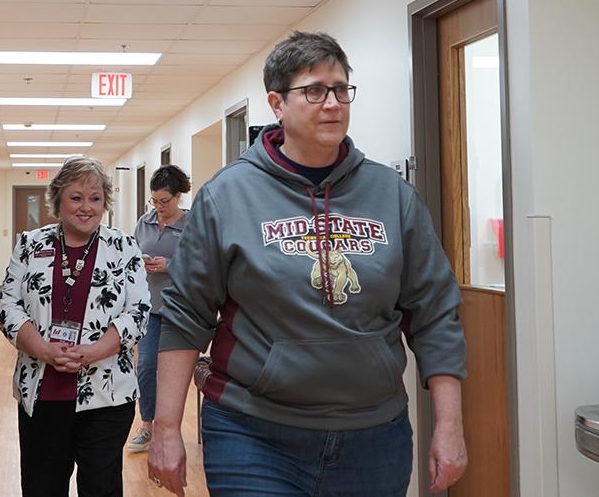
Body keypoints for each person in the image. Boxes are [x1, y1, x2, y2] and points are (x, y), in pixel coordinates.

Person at [147, 31, 469, 497]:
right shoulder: (229, 196)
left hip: (373, 435)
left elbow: (435, 313)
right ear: (277, 103)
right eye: (314, 91)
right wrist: (166, 427)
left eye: (341, 89)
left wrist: (450, 424)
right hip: (252, 430)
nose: (333, 103)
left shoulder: (392, 195)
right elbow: (186, 316)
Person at [0, 156, 151, 497]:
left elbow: (138, 311)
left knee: (101, 487)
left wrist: (93, 351)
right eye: (76, 197)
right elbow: (8, 305)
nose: (86, 207)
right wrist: (43, 350)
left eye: (95, 198)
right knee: (42, 486)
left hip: (107, 393)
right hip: (41, 391)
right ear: (58, 200)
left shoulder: (123, 247)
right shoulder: (30, 244)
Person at [126, 165, 192, 453]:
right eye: (154, 201)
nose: (159, 207)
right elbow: (130, 253)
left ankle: (171, 429)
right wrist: (139, 262)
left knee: (174, 372)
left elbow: (202, 266)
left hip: (180, 309)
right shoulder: (145, 222)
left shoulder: (193, 225)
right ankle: (147, 425)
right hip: (150, 307)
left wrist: (170, 266)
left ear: (178, 196)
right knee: (147, 364)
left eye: (164, 201)